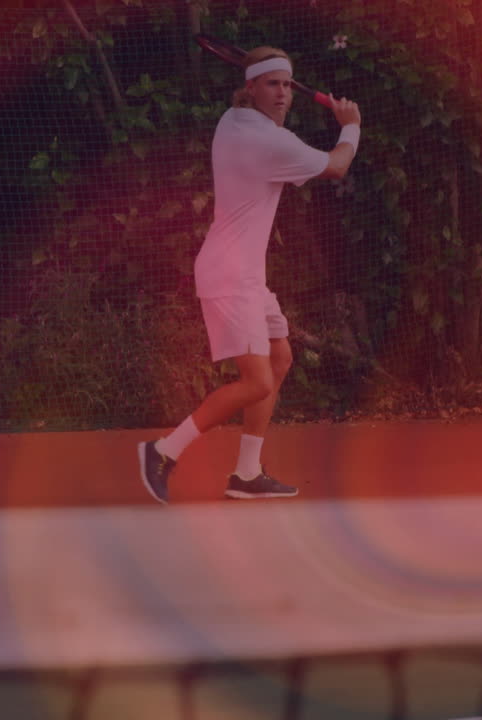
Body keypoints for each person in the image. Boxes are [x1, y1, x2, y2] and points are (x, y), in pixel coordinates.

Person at [138, 46, 362, 504]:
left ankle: (246, 473)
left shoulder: (231, 121)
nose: (281, 93)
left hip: (246, 275)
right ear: (251, 88)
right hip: (229, 275)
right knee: (258, 381)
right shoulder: (269, 143)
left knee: (278, 361)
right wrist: (351, 125)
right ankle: (162, 451)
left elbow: (275, 130)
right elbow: (337, 165)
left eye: (286, 84)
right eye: (271, 83)